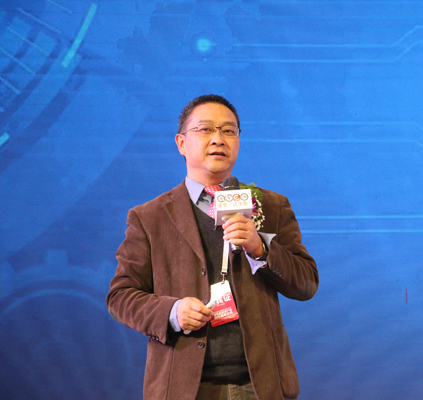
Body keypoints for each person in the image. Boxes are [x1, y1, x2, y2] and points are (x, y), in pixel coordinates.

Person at [106, 94, 319, 400]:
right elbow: (120, 297)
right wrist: (172, 311)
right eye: (205, 129)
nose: (218, 139)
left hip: (260, 385)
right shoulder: (149, 217)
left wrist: (261, 248)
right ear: (181, 143)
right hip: (184, 386)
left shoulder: (271, 206)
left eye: (229, 131)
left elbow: (306, 283)